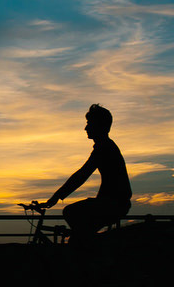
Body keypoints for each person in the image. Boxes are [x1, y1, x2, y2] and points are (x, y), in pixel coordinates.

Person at [40, 104, 131, 245]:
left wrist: (56, 197)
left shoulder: (104, 148)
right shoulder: (105, 146)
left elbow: (82, 175)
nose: (86, 128)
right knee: (80, 230)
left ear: (99, 125)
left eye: (89, 124)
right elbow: (82, 174)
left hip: (113, 203)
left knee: (71, 213)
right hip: (115, 202)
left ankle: (87, 249)